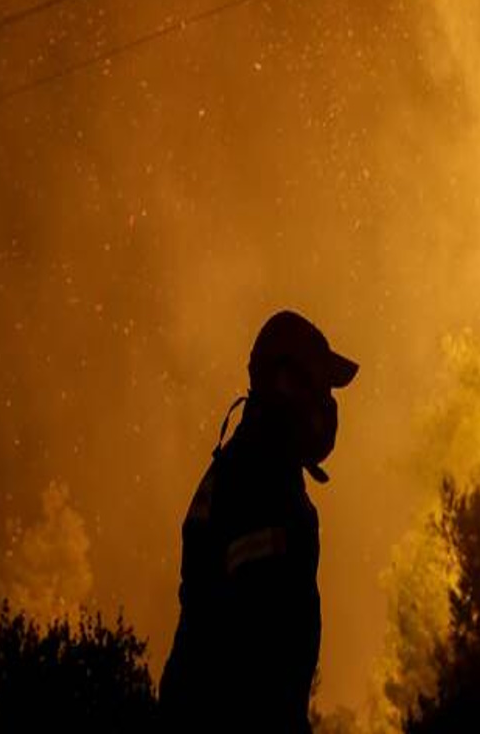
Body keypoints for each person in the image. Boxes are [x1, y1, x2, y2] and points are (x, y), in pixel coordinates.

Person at [159, 310, 358, 733]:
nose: (327, 406)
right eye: (320, 388)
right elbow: (258, 648)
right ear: (286, 383)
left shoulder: (251, 469)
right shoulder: (259, 482)